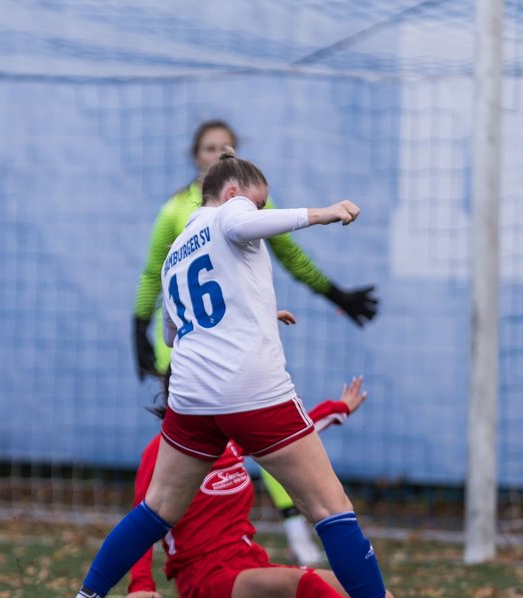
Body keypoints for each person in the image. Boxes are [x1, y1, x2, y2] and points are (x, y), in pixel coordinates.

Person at [49, 150, 449, 598]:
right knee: (331, 507)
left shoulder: (176, 255)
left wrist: (257, 310)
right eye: (257, 206)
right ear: (233, 193)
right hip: (249, 390)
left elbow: (178, 329)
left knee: (156, 509)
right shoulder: (231, 213)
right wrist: (323, 213)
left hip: (192, 399)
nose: (259, 219)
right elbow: (242, 227)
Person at [131, 120, 379, 567]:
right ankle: (185, 549)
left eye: (221, 147)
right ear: (197, 158)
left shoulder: (247, 209)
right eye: (206, 148)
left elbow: (290, 255)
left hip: (231, 338)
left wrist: (335, 294)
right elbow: (155, 274)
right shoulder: (180, 211)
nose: (213, 154)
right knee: (199, 463)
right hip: (191, 349)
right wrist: (137, 328)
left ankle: (277, 530)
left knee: (247, 450)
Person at [113, 374, 475, 598]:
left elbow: (291, 435)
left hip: (249, 568)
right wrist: (141, 583)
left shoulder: (231, 441)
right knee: (306, 588)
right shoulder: (161, 453)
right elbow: (144, 519)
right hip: (210, 589)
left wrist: (340, 408)